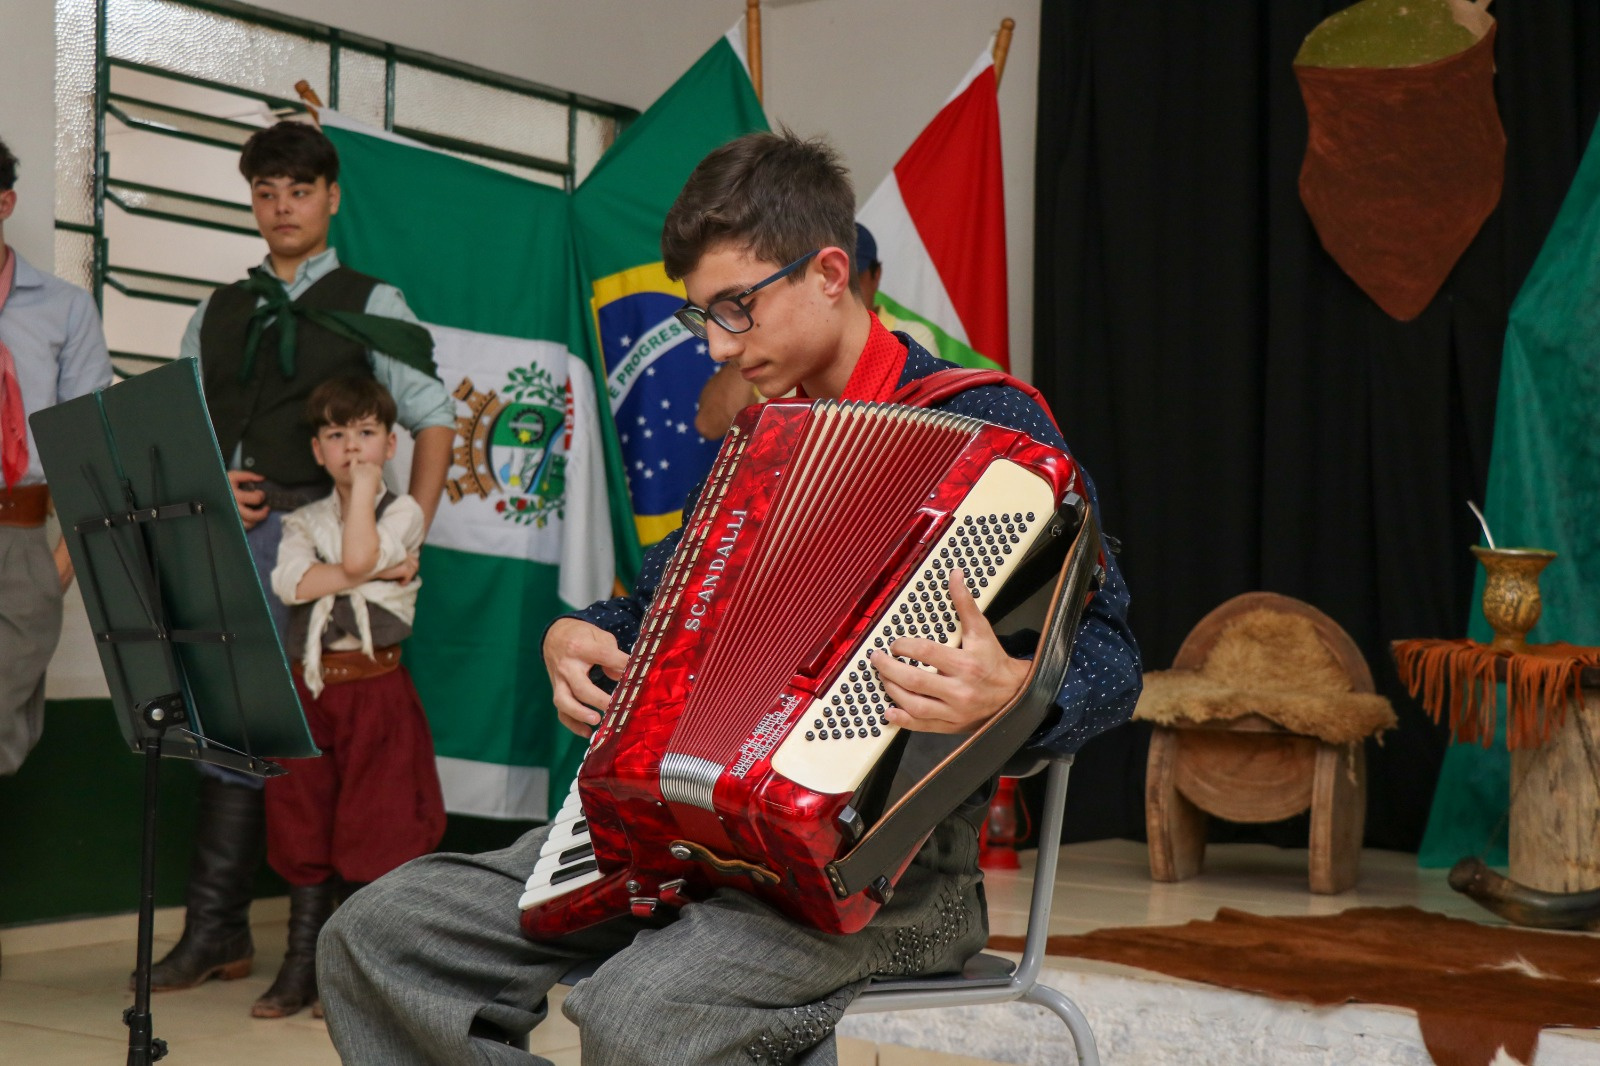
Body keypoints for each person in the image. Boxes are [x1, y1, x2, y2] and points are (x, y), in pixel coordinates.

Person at [318, 130, 1141, 1066]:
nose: (715, 343)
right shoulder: (761, 443)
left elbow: (1115, 658)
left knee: (640, 1012)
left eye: (736, 308)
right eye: (701, 314)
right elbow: (667, 603)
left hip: (893, 876)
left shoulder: (991, 429)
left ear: (829, 272)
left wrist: (1020, 692)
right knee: (380, 937)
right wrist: (581, 632)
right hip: (687, 837)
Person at [144, 120, 455, 999]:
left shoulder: (372, 300)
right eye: (266, 192)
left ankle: (329, 952)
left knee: (311, 736)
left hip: (324, 543)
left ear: (332, 197)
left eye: (300, 191)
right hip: (224, 539)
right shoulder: (217, 309)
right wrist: (209, 484)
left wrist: (408, 529)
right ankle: (216, 930)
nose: (282, 207)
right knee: (225, 722)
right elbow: (180, 424)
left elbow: (434, 416)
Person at [258, 374, 446, 1018]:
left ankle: (356, 970)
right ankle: (301, 961)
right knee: (300, 816)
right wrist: (369, 571)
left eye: (366, 433)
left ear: (390, 444)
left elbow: (360, 554)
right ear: (318, 451)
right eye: (336, 435)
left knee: (379, 823)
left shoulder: (404, 512)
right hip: (311, 688)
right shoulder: (302, 520)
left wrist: (364, 497)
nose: (352, 447)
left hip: (375, 688)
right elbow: (291, 584)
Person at [0, 132, 113, 780]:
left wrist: (60, 563)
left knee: (4, 723)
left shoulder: (65, 308)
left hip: (21, 537)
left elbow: (89, 445)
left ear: (5, 202)